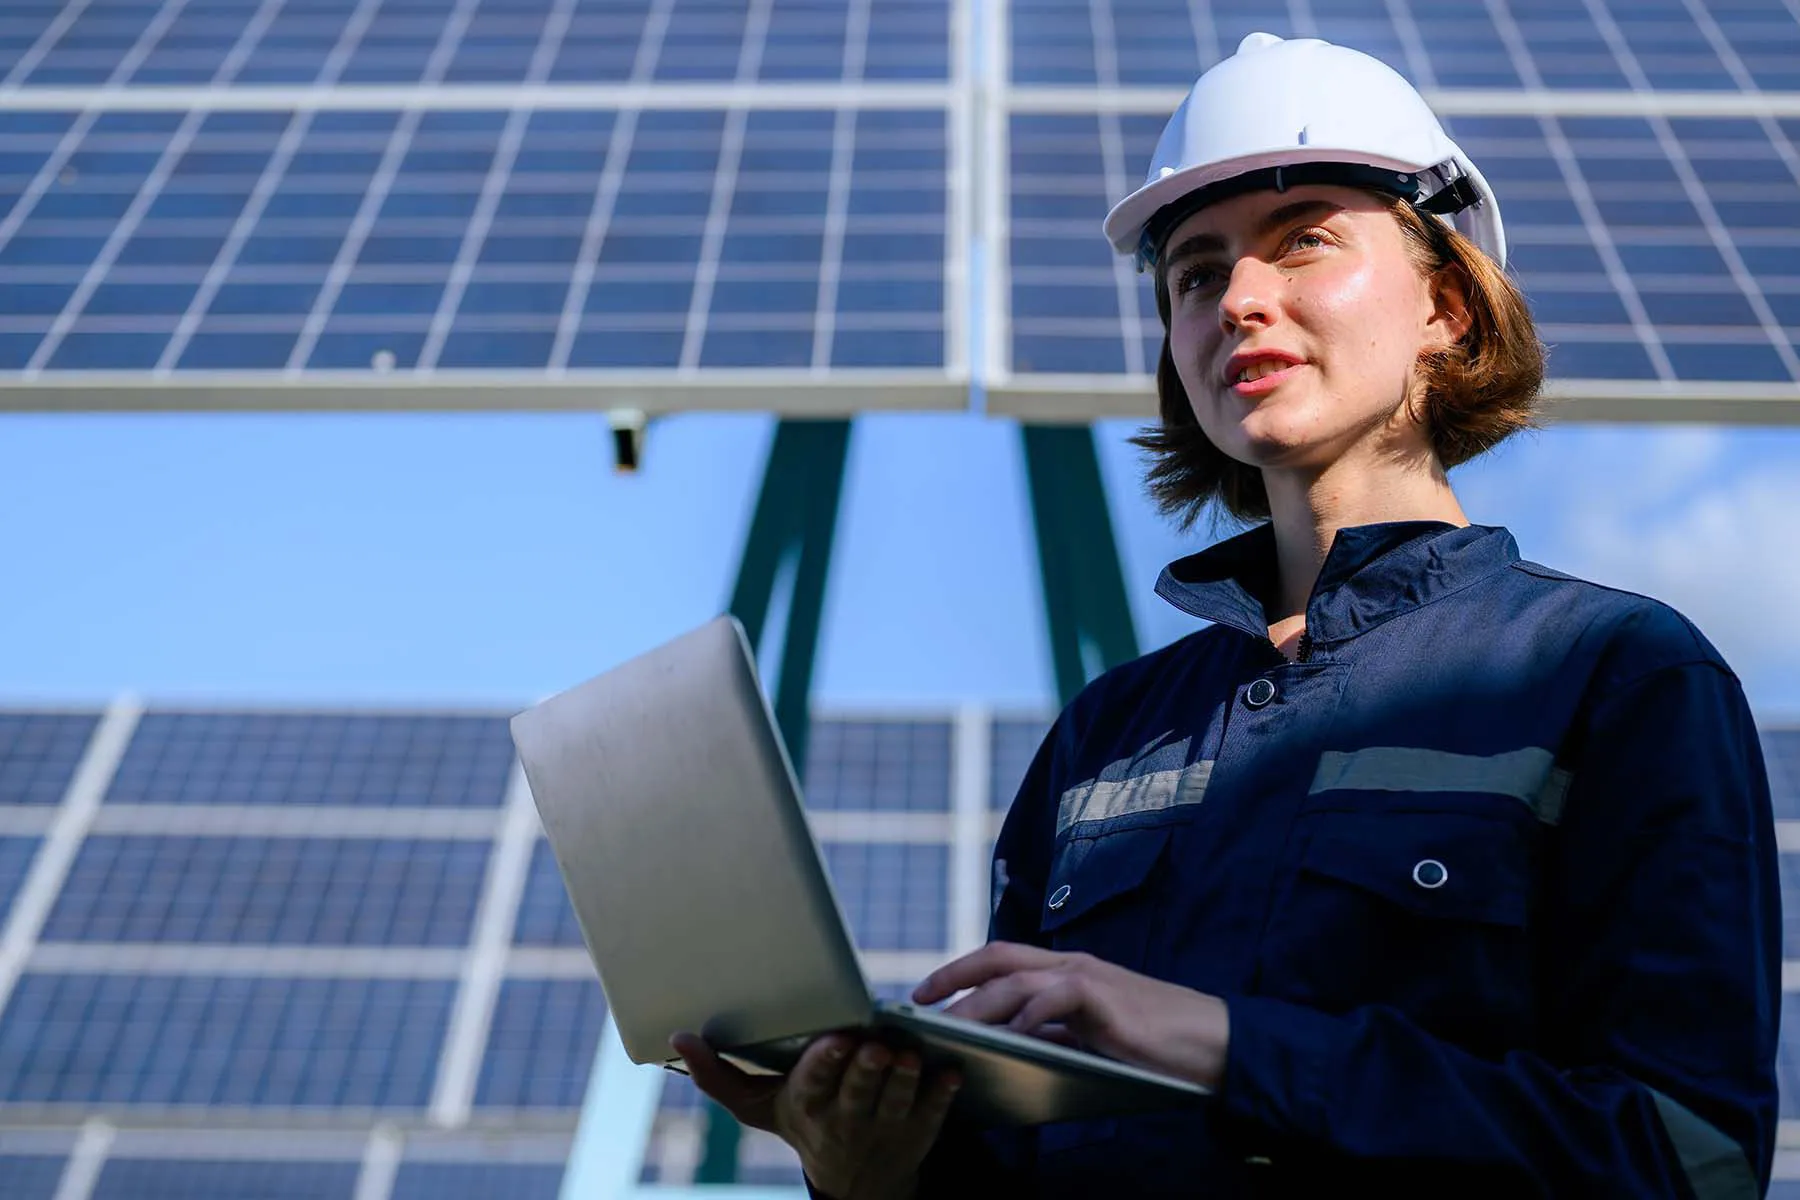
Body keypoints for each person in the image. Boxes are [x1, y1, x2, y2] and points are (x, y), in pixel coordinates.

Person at [672, 32, 1780, 1199]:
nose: (1240, 299)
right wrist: (869, 1168)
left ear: (1446, 305)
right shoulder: (1107, 736)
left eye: (1304, 239)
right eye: (1196, 274)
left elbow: (1685, 1160)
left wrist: (1223, 1044)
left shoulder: (1616, 677)